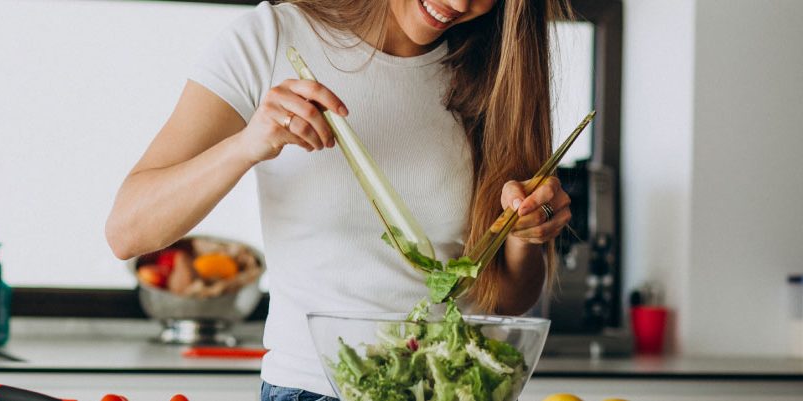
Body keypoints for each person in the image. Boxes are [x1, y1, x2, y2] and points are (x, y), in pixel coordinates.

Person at [106, 0, 572, 399]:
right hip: (313, 388)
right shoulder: (273, 37)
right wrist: (248, 144)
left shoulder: (496, 71)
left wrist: (523, 234)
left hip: (451, 385)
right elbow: (130, 230)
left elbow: (506, 301)